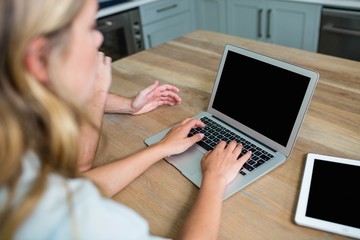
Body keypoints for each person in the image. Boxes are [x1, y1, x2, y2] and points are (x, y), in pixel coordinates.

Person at [0, 0, 252, 239]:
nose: (100, 37)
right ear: (39, 60)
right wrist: (215, 179)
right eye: (89, 28)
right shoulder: (70, 219)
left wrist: (161, 148)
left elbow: (74, 187)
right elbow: (75, 183)